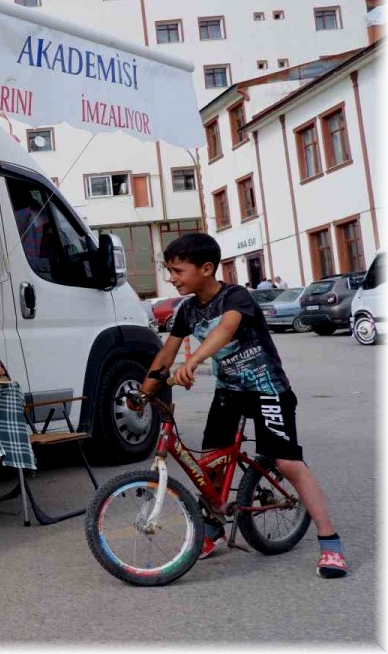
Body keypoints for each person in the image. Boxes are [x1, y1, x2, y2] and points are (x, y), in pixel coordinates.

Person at [135, 233, 347, 578]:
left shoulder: (235, 296)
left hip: (268, 389)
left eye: (177, 270)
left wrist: (194, 362)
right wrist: (144, 393)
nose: (171, 278)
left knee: (288, 462)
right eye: (169, 270)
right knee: (212, 463)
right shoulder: (187, 309)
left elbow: (226, 329)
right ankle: (213, 528)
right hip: (229, 391)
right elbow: (166, 352)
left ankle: (330, 540)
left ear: (206, 269)